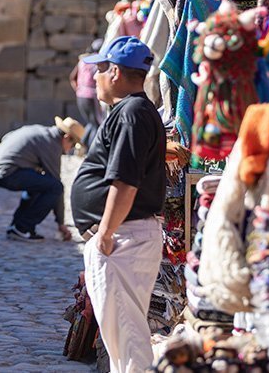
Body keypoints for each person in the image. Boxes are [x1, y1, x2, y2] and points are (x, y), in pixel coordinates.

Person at [70, 36, 166, 372]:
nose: (93, 77)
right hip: (125, 236)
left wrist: (106, 233)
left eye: (98, 70)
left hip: (122, 238)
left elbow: (125, 180)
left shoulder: (132, 113)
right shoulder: (133, 111)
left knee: (126, 334)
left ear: (113, 72)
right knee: (122, 333)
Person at [0, 117, 83, 242]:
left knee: (40, 184)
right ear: (66, 137)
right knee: (54, 187)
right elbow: (56, 185)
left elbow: (7, 137)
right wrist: (61, 223)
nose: (70, 149)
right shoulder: (52, 144)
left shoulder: (41, 132)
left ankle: (17, 226)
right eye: (73, 145)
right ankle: (22, 228)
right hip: (6, 172)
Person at [68, 38, 104, 152]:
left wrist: (80, 89)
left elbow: (72, 77)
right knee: (97, 124)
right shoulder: (98, 61)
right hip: (92, 96)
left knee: (91, 122)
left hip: (80, 95)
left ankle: (82, 145)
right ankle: (92, 150)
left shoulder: (83, 60)